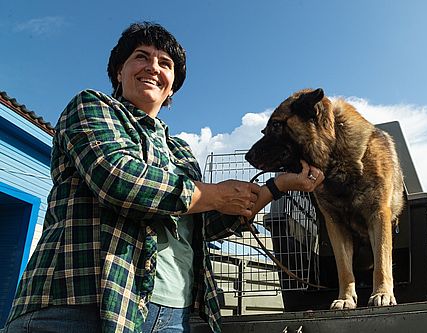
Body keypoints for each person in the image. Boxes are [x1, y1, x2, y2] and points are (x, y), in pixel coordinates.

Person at [2, 21, 324, 333]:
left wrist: (280, 185)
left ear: (173, 84)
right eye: (141, 56)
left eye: (165, 63)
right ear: (119, 71)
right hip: (78, 303)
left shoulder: (180, 151)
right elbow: (118, 180)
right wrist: (213, 194)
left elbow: (206, 223)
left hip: (173, 313)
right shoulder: (92, 106)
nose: (153, 67)